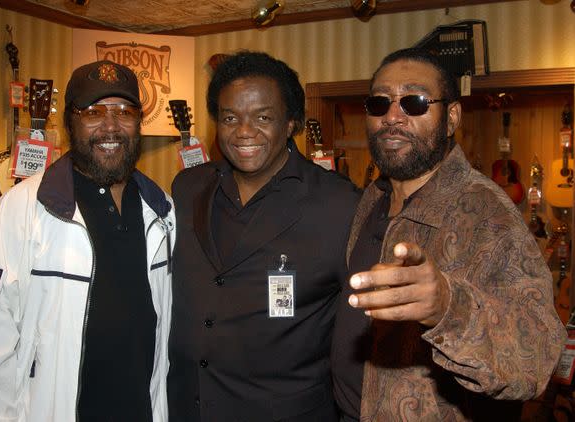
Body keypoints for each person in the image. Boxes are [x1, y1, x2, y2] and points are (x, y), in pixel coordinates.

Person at [331, 48, 566, 421]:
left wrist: (446, 307)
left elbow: (537, 357)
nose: (393, 116)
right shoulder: (373, 197)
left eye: (415, 102)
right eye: (379, 103)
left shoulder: (489, 215)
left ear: (451, 117)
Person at [0, 60, 175, 422]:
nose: (111, 125)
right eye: (94, 111)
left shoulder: (163, 210)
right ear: (71, 120)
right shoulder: (23, 208)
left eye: (124, 111)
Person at [168, 51, 360, 421]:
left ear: (290, 123)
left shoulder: (339, 205)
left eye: (263, 117)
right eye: (230, 118)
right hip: (187, 408)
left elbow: (361, 333)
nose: (244, 131)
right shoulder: (187, 189)